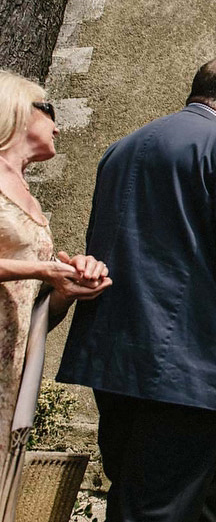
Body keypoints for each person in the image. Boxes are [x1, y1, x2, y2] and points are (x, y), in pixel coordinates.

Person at [56, 57, 216, 522]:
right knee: (168, 507)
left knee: (131, 494)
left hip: (115, 353)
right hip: (190, 359)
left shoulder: (120, 150)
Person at [0, 71, 112, 521]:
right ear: (16, 110)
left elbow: (36, 301)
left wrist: (67, 287)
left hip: (11, 367)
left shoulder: (29, 196)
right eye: (51, 112)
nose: (59, 126)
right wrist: (42, 267)